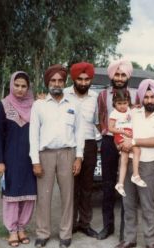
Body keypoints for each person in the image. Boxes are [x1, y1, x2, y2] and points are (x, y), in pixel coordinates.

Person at [29, 64, 85, 248]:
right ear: (48, 82)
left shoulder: (74, 104)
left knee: (67, 196)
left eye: (60, 80)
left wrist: (79, 157)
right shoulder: (39, 105)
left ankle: (65, 234)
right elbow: (33, 135)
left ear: (64, 82)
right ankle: (42, 233)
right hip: (45, 155)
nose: (57, 83)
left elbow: (80, 132)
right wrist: (35, 161)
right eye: (53, 80)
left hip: (67, 154)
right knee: (44, 196)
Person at [114, 79, 154, 248]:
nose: (149, 100)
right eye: (146, 97)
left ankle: (151, 241)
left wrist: (135, 142)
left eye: (153, 97)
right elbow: (121, 129)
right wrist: (121, 144)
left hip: (148, 164)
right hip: (127, 161)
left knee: (147, 204)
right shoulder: (134, 112)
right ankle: (129, 239)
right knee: (128, 202)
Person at [0, 71, 37, 247]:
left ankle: (21, 228)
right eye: (17, 85)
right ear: (12, 85)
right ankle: (12, 230)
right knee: (12, 194)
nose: (19, 89)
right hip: (10, 158)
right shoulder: (2, 105)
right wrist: (0, 161)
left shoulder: (35, 106)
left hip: (30, 157)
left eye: (23, 86)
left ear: (28, 88)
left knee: (28, 195)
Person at [96, 59, 137, 240]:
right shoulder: (103, 95)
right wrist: (108, 136)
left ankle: (124, 231)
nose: (119, 78)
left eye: (123, 75)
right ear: (112, 75)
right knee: (108, 185)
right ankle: (108, 226)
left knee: (126, 185)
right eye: (117, 74)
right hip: (109, 142)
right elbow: (99, 120)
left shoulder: (135, 96)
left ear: (128, 76)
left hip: (128, 143)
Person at [64, 62, 99, 238]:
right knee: (70, 186)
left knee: (87, 186)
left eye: (87, 79)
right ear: (74, 78)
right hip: (69, 145)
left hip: (90, 144)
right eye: (80, 79)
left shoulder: (95, 97)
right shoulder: (64, 95)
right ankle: (69, 224)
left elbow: (101, 120)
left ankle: (84, 223)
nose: (84, 82)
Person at [109, 89, 146, 197]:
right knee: (136, 149)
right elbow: (110, 128)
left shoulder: (129, 109)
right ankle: (135, 174)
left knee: (124, 159)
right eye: (119, 103)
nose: (122, 106)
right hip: (121, 135)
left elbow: (133, 108)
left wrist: (135, 106)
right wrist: (122, 131)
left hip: (128, 134)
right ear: (114, 103)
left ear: (128, 102)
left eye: (124, 103)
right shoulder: (114, 113)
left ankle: (120, 183)